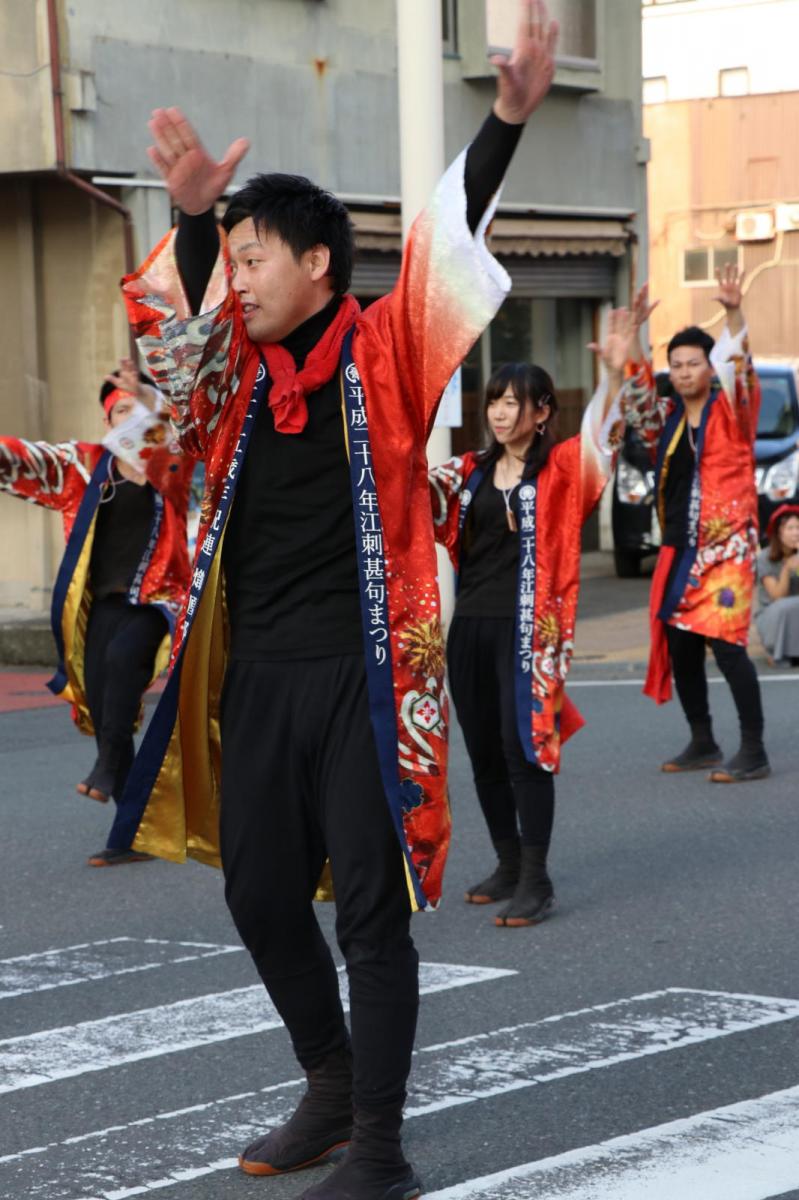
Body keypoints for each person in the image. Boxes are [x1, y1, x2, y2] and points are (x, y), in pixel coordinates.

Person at [107, 5, 560, 1197]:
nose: (242, 277)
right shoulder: (232, 380)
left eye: (257, 257)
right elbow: (172, 344)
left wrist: (506, 121)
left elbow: (445, 241)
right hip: (258, 672)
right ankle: (327, 1078)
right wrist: (195, 221)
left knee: (369, 913)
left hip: (364, 673)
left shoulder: (386, 350)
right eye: (237, 260)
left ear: (317, 264)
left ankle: (380, 1148)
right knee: (259, 894)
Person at [429, 311, 632, 927]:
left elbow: (601, 442)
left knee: (525, 753)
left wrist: (613, 376)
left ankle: (536, 878)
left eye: (513, 402)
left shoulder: (561, 471)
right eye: (495, 400)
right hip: (470, 629)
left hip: (528, 636)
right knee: (484, 756)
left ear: (542, 412)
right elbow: (408, 492)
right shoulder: (468, 472)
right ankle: (508, 861)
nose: (499, 412)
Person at [0, 361, 192, 864]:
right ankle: (132, 833)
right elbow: (28, 459)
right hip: (99, 608)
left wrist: (148, 401)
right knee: (107, 707)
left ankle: (106, 769)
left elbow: (172, 442)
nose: (131, 418)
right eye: (121, 411)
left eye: (138, 409)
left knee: (124, 665)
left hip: (155, 600)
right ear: (107, 422)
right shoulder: (85, 467)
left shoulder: (169, 470)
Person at [624, 268, 770, 783]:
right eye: (678, 365)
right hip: (680, 549)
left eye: (694, 363)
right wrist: (634, 335)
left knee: (728, 647)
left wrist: (733, 312)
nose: (685, 372)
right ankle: (703, 739)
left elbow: (744, 373)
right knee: (680, 644)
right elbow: (637, 402)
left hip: (726, 550)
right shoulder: (666, 419)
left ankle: (754, 749)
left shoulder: (734, 412)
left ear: (711, 367)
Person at [755, 504, 799, 665]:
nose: (796, 533)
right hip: (772, 614)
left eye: (798, 528)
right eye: (790, 528)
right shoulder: (764, 558)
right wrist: (787, 569)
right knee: (787, 606)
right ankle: (775, 650)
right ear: (778, 533)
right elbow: (777, 596)